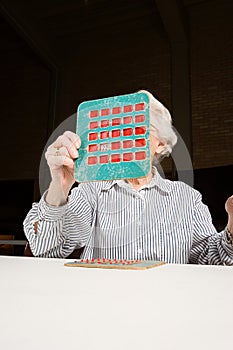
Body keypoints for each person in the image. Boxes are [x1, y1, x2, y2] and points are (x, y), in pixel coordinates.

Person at [23, 90, 233, 264]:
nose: (124, 135)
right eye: (119, 126)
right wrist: (59, 186)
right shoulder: (91, 190)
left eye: (138, 126)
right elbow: (45, 251)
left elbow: (212, 258)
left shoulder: (187, 198)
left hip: (166, 305)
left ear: (160, 143)